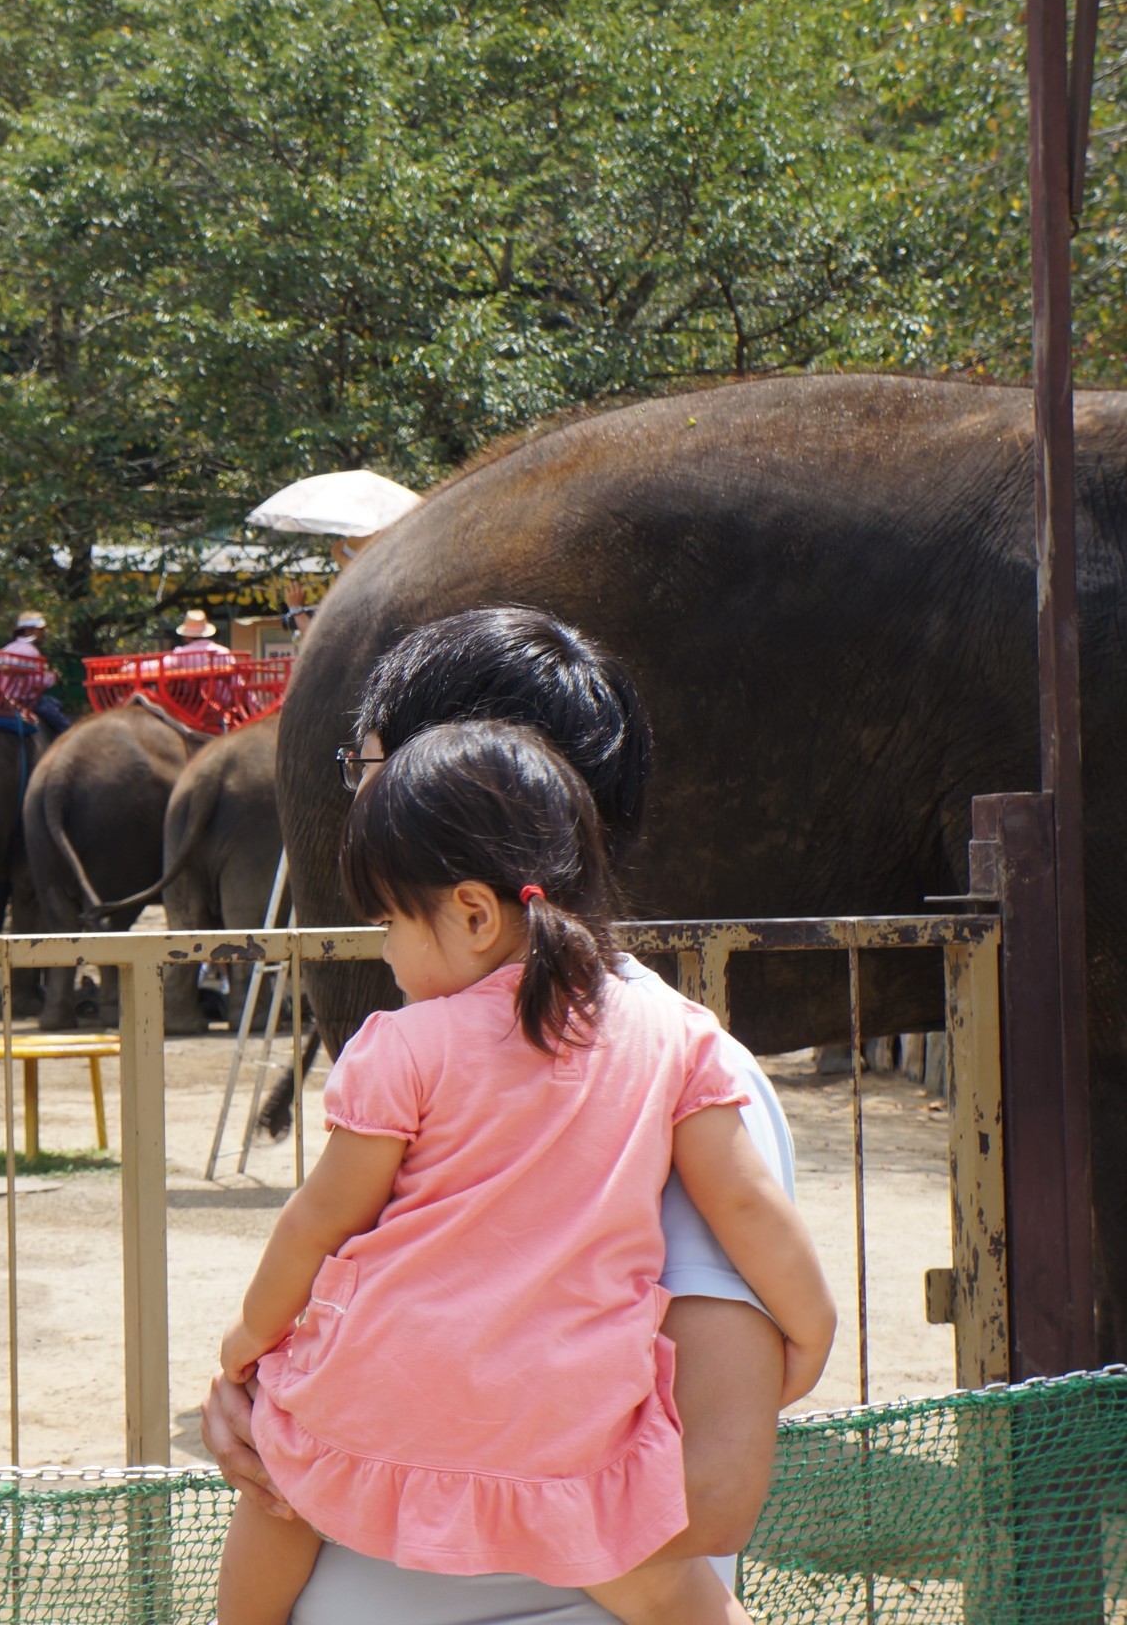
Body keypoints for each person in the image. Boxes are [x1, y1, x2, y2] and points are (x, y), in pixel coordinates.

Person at [205, 607, 805, 1624]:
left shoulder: (687, 1074)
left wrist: (428, 1451)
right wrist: (274, 1399)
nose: (354, 798)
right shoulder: (439, 1055)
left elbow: (714, 1494)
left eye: (369, 766)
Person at [0, 612, 72, 736]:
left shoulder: (7, 648)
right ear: (29, 631)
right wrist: (52, 677)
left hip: (6, 699)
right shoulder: (31, 651)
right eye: (40, 630)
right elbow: (36, 682)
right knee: (64, 725)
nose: (43, 633)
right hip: (26, 700)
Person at [162, 608, 242, 723]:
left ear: (186, 636)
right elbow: (237, 683)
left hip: (193, 709)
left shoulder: (181, 654)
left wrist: (129, 667)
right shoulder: (223, 652)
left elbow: (161, 665)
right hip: (224, 707)